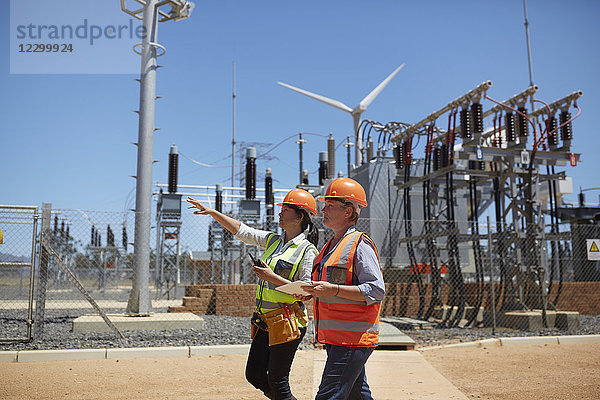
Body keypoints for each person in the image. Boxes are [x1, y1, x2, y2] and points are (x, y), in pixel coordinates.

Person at [187, 188, 319, 400]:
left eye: (285, 210)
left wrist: (271, 277)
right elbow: (242, 231)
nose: (280, 214)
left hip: (287, 321)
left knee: (278, 382)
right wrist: (213, 212)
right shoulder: (273, 240)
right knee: (255, 374)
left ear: (300, 216)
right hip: (266, 321)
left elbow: (305, 291)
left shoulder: (307, 250)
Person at [300, 177, 385, 400]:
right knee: (358, 394)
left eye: (330, 205)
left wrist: (333, 290)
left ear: (348, 211)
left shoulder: (360, 244)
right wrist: (311, 291)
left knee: (328, 396)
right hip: (339, 338)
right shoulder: (330, 246)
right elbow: (329, 286)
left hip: (352, 338)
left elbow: (376, 290)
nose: (323, 209)